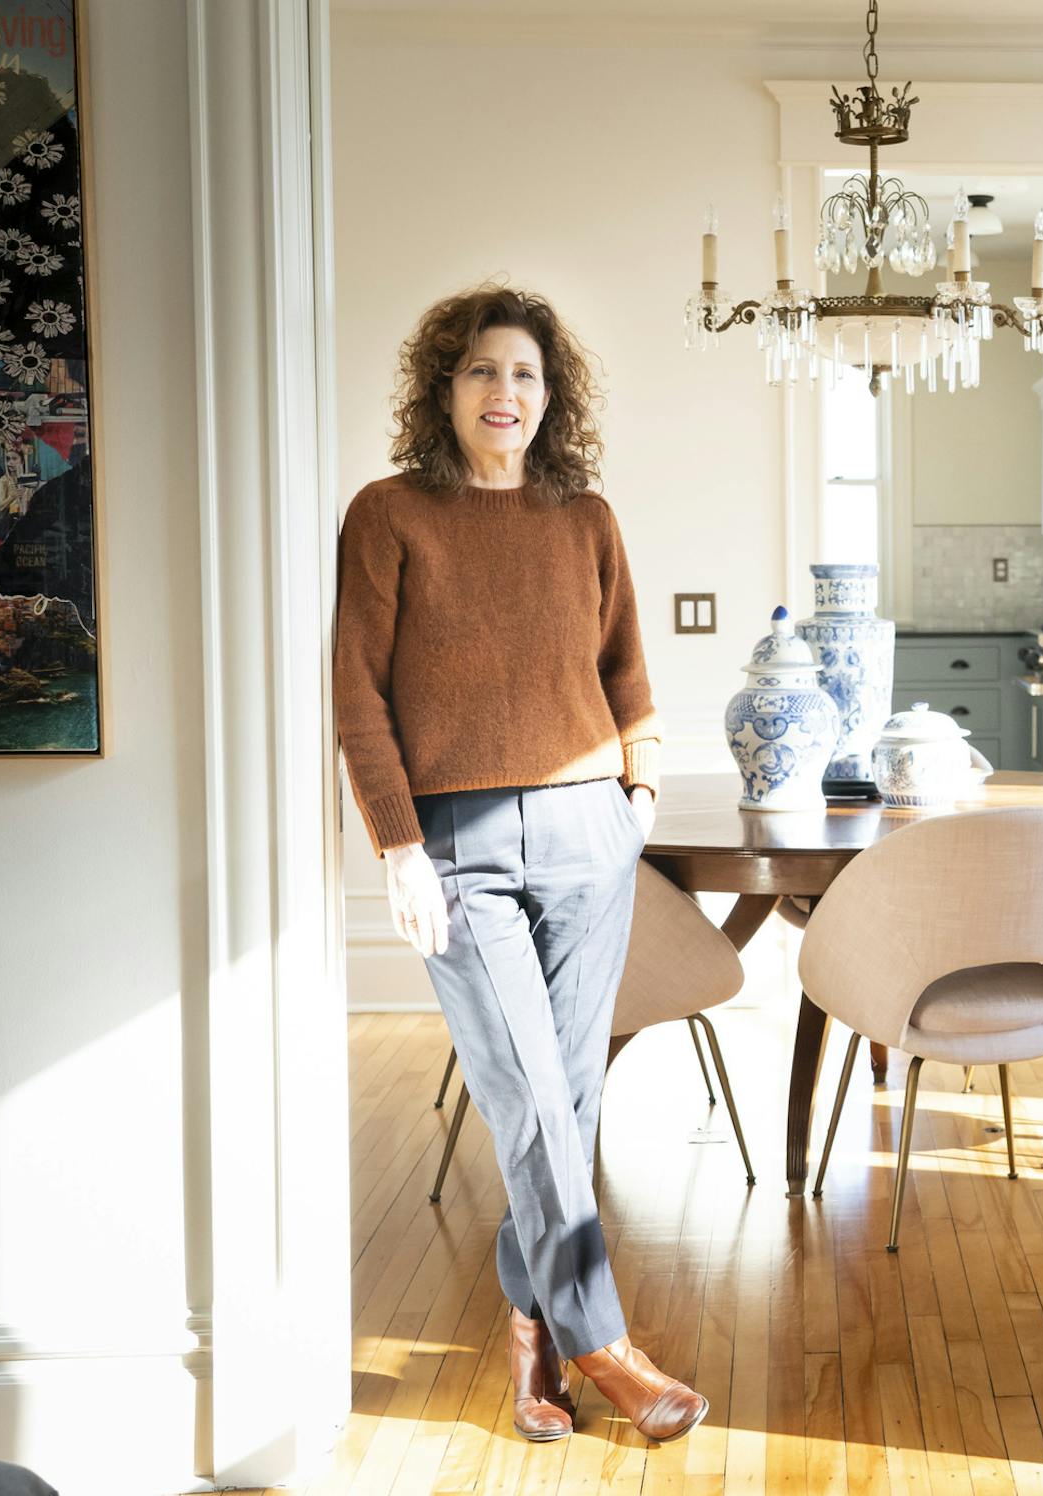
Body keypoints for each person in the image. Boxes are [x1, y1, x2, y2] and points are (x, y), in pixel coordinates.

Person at [333, 284, 707, 1446]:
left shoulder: (583, 516)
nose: (506, 394)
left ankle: (531, 1330)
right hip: (458, 847)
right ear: (442, 389)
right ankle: (605, 1342)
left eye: (527, 376)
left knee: (571, 1101)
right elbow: (358, 691)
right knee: (533, 1099)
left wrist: (640, 787)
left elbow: (627, 664)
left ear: (555, 397)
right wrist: (398, 842)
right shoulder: (390, 514)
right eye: (483, 373)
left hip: (591, 831)